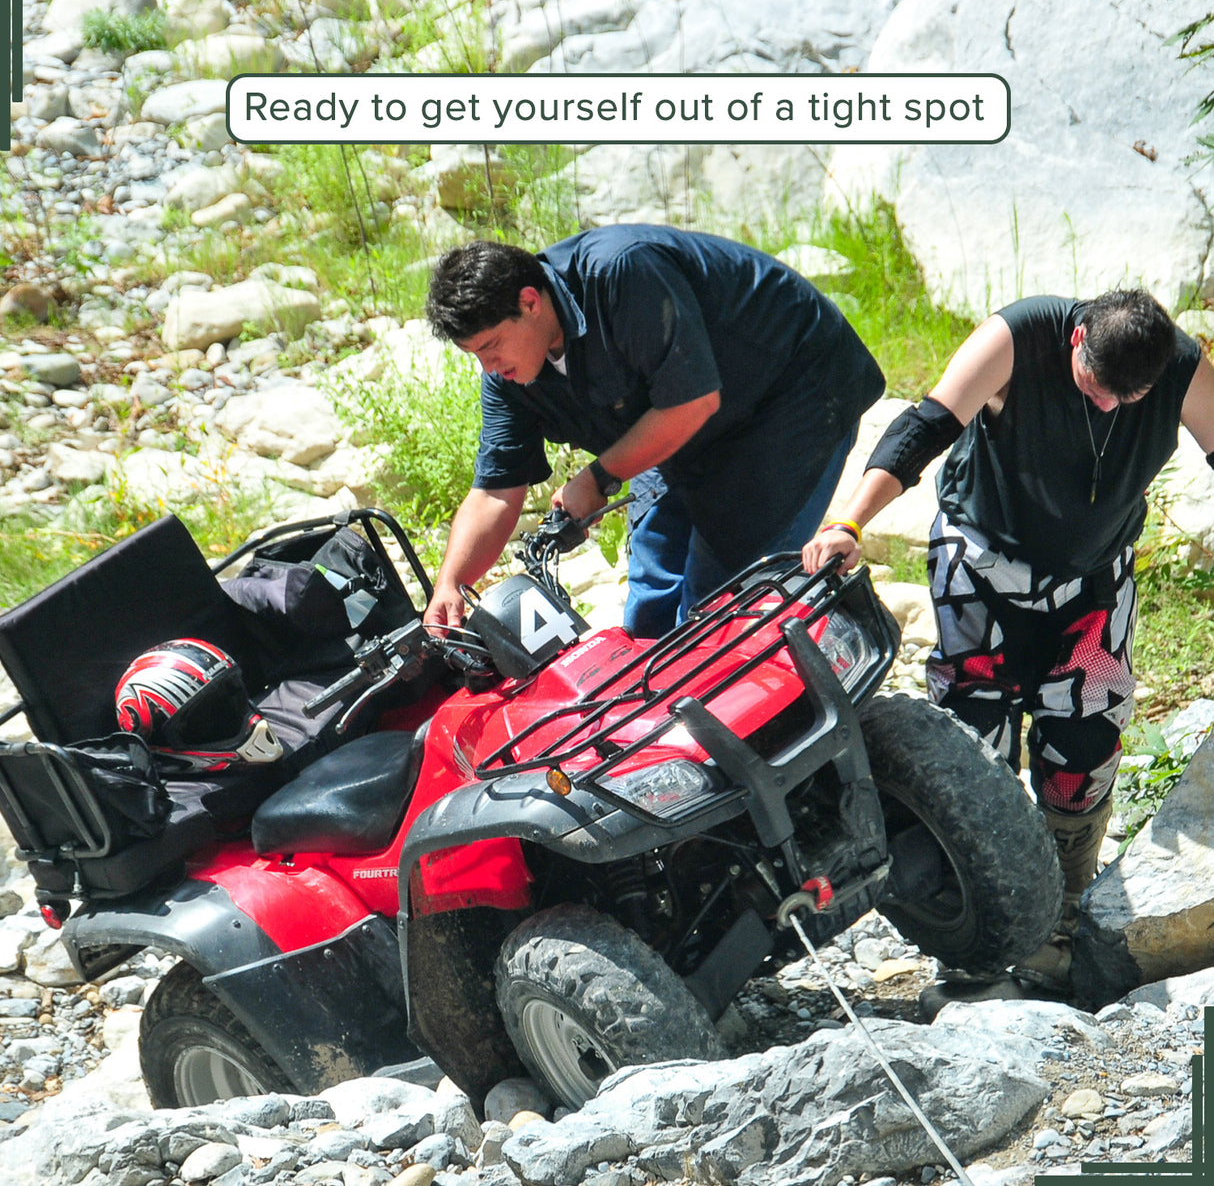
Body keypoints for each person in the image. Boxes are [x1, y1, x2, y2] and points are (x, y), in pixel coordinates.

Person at [802, 289, 1214, 989]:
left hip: (1093, 583)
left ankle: (1060, 914)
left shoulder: (1180, 365)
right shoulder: (1020, 336)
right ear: (1078, 338)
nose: (1111, 407)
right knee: (972, 743)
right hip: (984, 567)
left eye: (1131, 396)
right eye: (1098, 386)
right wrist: (849, 522)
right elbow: (926, 424)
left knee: (1085, 741)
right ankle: (973, 929)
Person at [422, 224, 885, 638]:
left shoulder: (621, 274)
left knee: (716, 613)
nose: (489, 367)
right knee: (651, 604)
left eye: (492, 346)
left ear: (530, 301)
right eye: (475, 355)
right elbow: (494, 492)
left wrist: (598, 477)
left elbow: (692, 402)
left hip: (789, 395)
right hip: (677, 423)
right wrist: (450, 584)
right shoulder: (509, 374)